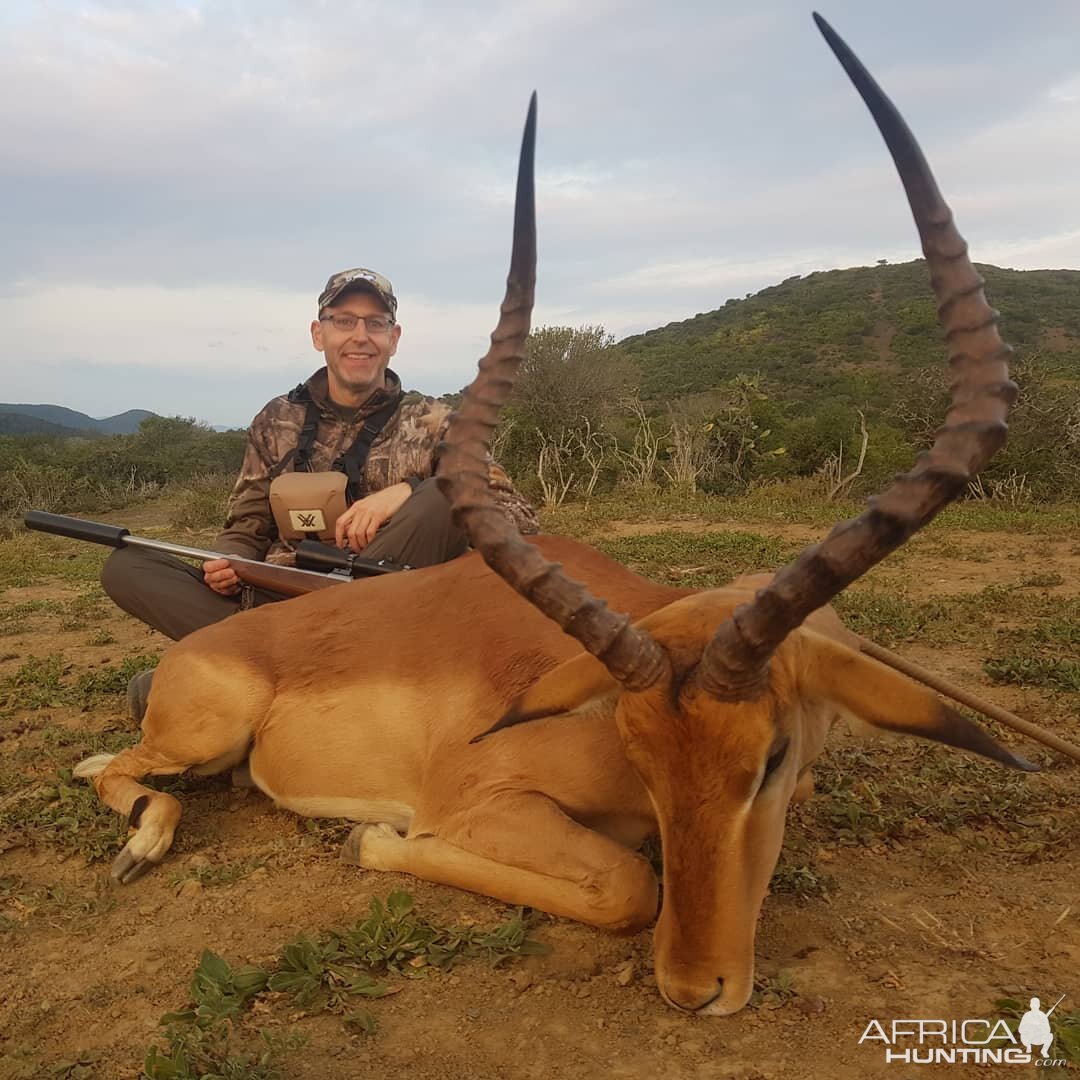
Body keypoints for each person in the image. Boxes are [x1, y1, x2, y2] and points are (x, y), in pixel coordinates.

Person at [101, 267, 538, 716]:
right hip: (275, 604)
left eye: (376, 323)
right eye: (344, 320)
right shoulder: (275, 419)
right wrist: (227, 560)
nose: (360, 336)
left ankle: (240, 685)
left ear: (394, 337)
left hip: (390, 607)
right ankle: (311, 678)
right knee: (127, 565)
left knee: (445, 493)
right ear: (318, 333)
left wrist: (410, 490)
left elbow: (517, 516)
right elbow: (247, 520)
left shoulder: (436, 421)